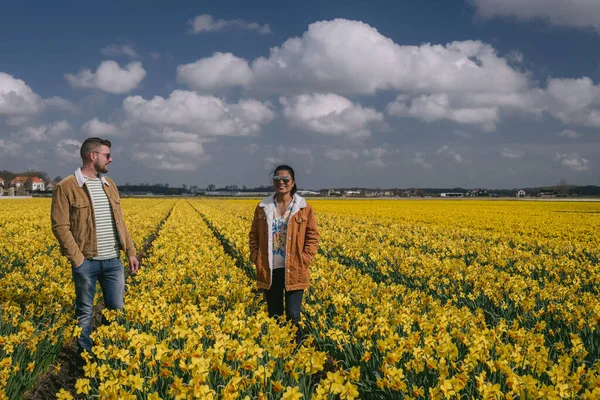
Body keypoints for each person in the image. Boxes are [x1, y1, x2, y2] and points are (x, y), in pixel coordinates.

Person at [51, 137, 139, 356]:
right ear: (93, 156)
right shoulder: (66, 187)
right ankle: (86, 357)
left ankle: (110, 353)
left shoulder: (110, 185)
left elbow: (120, 222)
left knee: (116, 310)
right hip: (86, 262)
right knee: (85, 312)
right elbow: (60, 226)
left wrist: (130, 252)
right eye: (107, 155)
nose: (111, 159)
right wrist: (78, 259)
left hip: (113, 262)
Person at [249, 165, 320, 345]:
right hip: (270, 268)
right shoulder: (262, 207)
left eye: (285, 179)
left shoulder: (303, 208)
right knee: (274, 314)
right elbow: (254, 235)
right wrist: (255, 256)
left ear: (292, 182)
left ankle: (296, 351)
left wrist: (306, 258)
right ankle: (278, 351)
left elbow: (313, 235)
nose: (281, 182)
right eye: (277, 179)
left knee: (293, 314)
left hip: (294, 267)